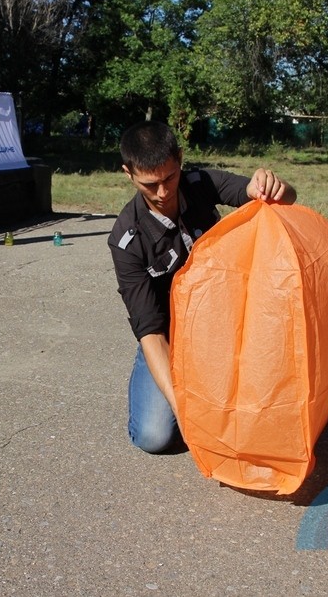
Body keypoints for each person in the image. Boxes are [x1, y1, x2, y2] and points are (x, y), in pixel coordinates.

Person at [107, 121, 296, 454]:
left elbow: (285, 199)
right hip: (170, 337)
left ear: (180, 158)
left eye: (169, 178)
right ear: (128, 173)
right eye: (150, 184)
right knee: (154, 436)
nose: (163, 193)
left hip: (226, 323)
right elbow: (150, 333)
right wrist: (182, 407)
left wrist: (274, 186)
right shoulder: (126, 241)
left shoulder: (201, 182)